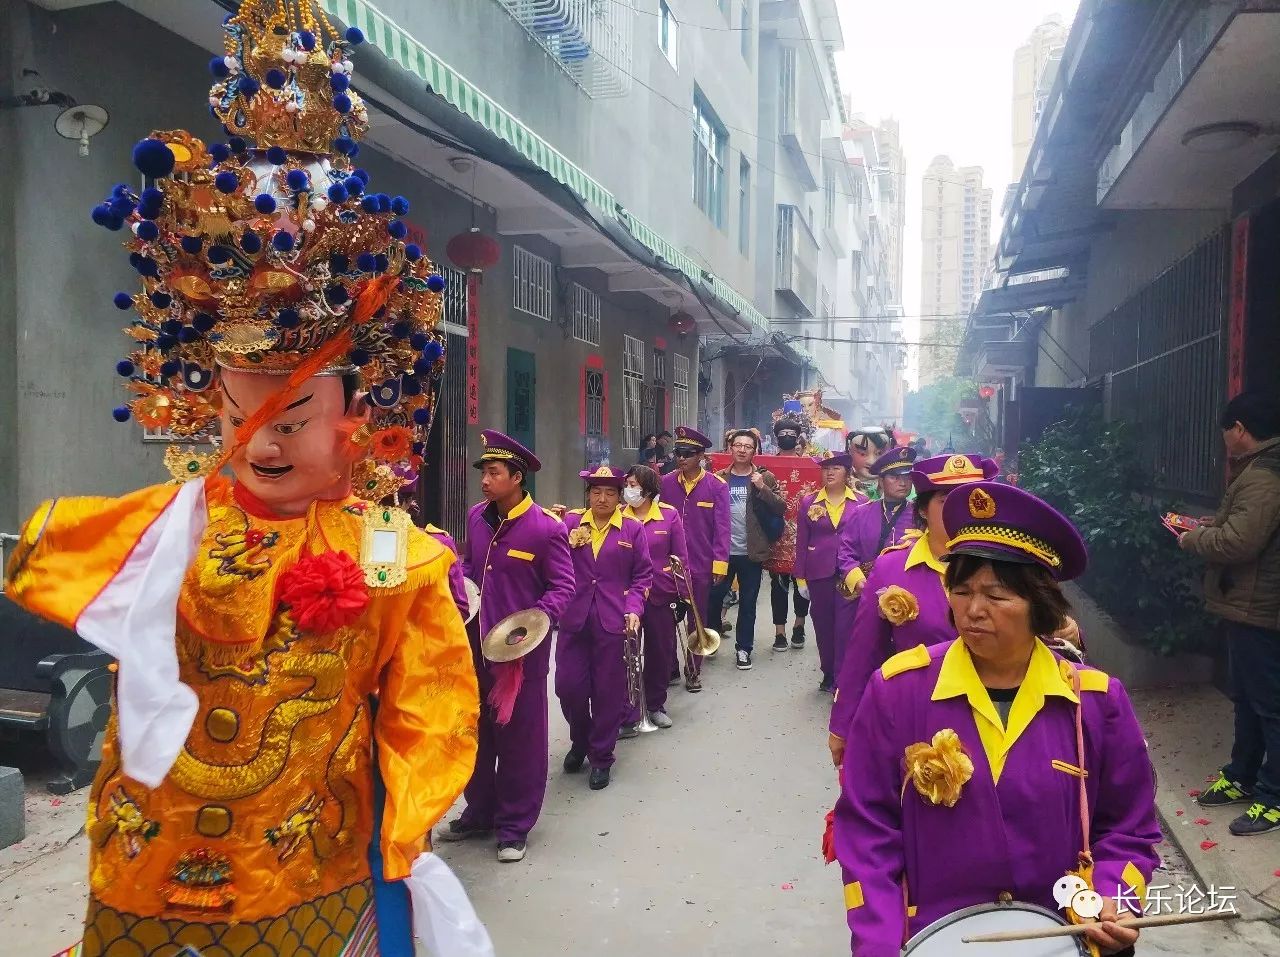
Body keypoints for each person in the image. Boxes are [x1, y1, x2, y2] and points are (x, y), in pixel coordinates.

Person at [2, 5, 490, 951]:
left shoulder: (388, 546)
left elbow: (427, 693)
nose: (259, 443)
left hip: (316, 855)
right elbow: (52, 553)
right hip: (151, 843)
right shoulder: (172, 521)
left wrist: (409, 817)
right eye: (236, 417)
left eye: (291, 418)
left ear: (357, 415)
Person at [834, 481, 1159, 956]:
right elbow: (867, 831)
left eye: (998, 595)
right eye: (962, 590)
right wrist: (880, 943)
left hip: (1065, 939)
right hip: (936, 938)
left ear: (1040, 604)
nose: (973, 611)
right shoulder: (898, 690)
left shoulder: (1096, 700)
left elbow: (1128, 828)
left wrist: (1113, 898)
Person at [443, 430, 575, 863]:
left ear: (516, 478)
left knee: (521, 741)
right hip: (475, 647)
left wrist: (533, 622)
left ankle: (515, 826)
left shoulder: (544, 529)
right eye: (484, 472)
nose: (485, 480)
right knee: (475, 733)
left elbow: (562, 587)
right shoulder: (476, 517)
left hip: (521, 655)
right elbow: (469, 564)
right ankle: (480, 810)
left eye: (494, 473)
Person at [827, 454, 998, 767]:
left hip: (994, 717)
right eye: (948, 501)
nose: (963, 512)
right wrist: (843, 723)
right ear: (923, 509)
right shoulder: (893, 568)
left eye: (973, 500)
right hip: (914, 717)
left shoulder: (1009, 569)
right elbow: (864, 653)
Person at [1182, 391, 1280, 835]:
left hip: (1260, 609)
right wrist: (1208, 528)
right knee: (1247, 699)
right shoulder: (1260, 472)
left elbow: (1241, 543)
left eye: (1226, 431)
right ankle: (1243, 776)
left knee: (1268, 705)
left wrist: (1192, 540)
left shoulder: (1263, 477)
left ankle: (1274, 797)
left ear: (1238, 428)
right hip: (1248, 607)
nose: (1224, 440)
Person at [557, 467, 654, 791]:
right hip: (573, 618)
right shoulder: (570, 523)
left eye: (610, 493)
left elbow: (642, 577)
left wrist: (634, 609)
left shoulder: (632, 529)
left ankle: (601, 757)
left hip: (613, 621)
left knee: (607, 694)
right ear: (588, 495)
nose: (602, 498)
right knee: (568, 688)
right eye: (596, 492)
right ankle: (581, 739)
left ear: (619, 497)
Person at [711, 429, 787, 671]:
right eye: (738, 445)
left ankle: (744, 649)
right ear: (730, 448)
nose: (742, 449)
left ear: (755, 451)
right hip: (723, 553)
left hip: (751, 553)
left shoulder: (765, 477)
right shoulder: (718, 478)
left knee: (748, 604)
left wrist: (763, 488)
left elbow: (780, 508)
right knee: (712, 599)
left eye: (748, 446)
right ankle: (709, 638)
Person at [660, 426, 729, 692]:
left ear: (701, 455)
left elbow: (722, 528)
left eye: (688, 453)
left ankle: (693, 669)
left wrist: (720, 563)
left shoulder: (716, 486)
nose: (681, 458)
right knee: (665, 619)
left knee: (696, 619)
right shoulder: (665, 483)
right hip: (667, 564)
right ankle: (669, 667)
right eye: (678, 452)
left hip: (701, 564)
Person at [622, 464, 690, 729]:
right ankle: (627, 708)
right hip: (627, 596)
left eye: (634, 485)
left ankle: (655, 704)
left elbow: (680, 558)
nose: (629, 489)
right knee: (625, 654)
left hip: (662, 592)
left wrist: (684, 596)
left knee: (659, 651)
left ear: (649, 489)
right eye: (627, 484)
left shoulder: (669, 516)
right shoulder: (619, 516)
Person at [793, 453, 866, 692]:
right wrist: (800, 578)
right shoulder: (809, 502)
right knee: (823, 626)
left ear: (847, 472)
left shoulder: (862, 502)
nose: (830, 473)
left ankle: (841, 676)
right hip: (818, 573)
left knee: (846, 627)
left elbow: (865, 542)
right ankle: (827, 672)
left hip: (851, 573)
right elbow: (801, 543)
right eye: (825, 469)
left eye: (836, 468)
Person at [836, 445, 918, 601]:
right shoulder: (861, 512)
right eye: (894, 477)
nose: (903, 483)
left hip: (906, 593)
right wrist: (857, 580)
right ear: (881, 481)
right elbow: (845, 550)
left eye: (907, 477)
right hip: (865, 590)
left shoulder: (920, 515)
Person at [768, 415, 813, 651]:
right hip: (776, 535)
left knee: (801, 584)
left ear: (797, 440)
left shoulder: (810, 466)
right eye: (782, 435)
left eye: (791, 436)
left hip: (803, 535)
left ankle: (799, 625)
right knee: (778, 586)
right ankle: (779, 631)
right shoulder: (765, 465)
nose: (786, 438)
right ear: (777, 439)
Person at [846, 426, 894, 499]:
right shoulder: (843, 483)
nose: (872, 462)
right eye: (862, 454)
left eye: (879, 453)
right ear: (850, 451)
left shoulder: (898, 484)